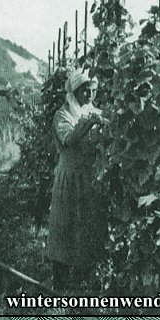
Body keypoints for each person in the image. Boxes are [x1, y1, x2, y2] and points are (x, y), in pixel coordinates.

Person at [46, 68, 107, 291]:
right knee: (64, 227)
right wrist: (88, 123)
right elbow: (68, 138)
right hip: (69, 178)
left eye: (93, 91)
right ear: (75, 91)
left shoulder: (94, 112)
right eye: (85, 91)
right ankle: (59, 284)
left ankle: (82, 281)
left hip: (88, 178)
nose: (90, 95)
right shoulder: (63, 114)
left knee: (85, 227)